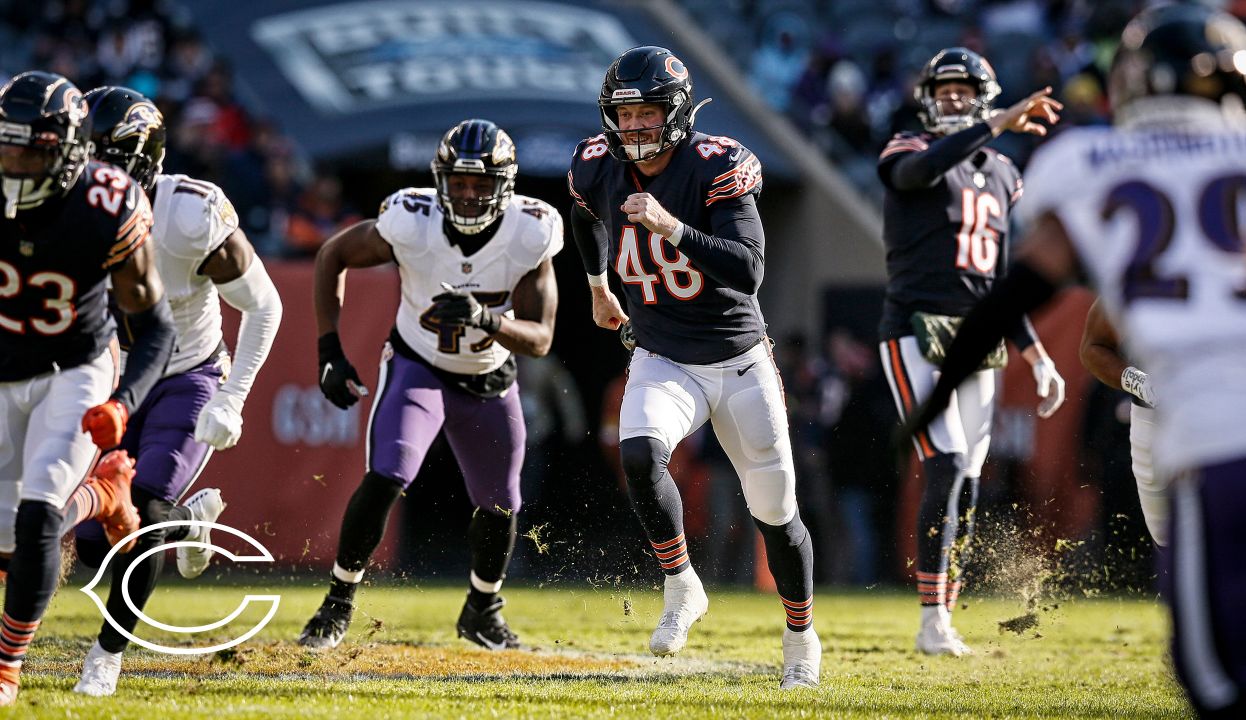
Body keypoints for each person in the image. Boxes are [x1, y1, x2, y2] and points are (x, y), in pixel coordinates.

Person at [899, 5, 1246, 715]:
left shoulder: (1095, 162)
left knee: (1214, 676)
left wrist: (933, 396)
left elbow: (1017, 289)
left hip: (1212, 442)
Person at [567, 45, 820, 689]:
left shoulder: (717, 164)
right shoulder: (597, 164)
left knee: (775, 511)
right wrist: (598, 283)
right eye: (622, 115)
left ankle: (800, 636)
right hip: (663, 354)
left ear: (676, 110)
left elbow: (747, 268)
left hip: (738, 361)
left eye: (646, 112)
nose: (633, 128)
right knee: (637, 455)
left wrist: (672, 226)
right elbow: (586, 213)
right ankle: (682, 584)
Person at [299, 119, 560, 652]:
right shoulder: (410, 220)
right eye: (458, 183)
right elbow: (332, 256)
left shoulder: (530, 231)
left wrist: (487, 321)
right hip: (419, 363)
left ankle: (482, 610)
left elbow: (540, 339)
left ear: (504, 186)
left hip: (489, 373)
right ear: (440, 180)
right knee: (388, 474)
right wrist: (329, 349)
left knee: (501, 504)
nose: (467, 195)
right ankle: (338, 603)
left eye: (480, 184)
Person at [68, 85, 283, 697]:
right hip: (113, 375)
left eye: (100, 158)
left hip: (188, 372)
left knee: (147, 511)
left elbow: (264, 307)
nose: (85, 173)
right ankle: (191, 524)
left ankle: (107, 654)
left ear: (140, 161)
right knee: (91, 546)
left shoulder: (191, 214)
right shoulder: (61, 209)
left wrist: (233, 396)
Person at [876, 46, 1067, 656]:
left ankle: (944, 616)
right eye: (944, 89)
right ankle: (931, 622)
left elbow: (1002, 278)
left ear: (983, 95)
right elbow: (915, 176)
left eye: (965, 90)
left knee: (970, 479)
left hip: (978, 337)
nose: (953, 98)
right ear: (928, 97)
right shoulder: (906, 146)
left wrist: (1037, 355)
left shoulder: (1007, 173)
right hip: (914, 326)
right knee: (947, 464)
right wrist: (996, 122)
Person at [0, 71, 177, 704]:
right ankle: (104, 493)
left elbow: (156, 327)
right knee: (5, 540)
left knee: (39, 510)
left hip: (74, 367)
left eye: (30, 150)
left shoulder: (109, 204)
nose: (13, 163)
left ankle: (5, 672)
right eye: (6, 146)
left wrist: (122, 402)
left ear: (72, 153)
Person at [1078, 300, 1162, 546]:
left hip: (1234, 420)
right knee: (1163, 533)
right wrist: (1141, 383)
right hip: (1155, 414)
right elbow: (1094, 345)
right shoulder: (1141, 269)